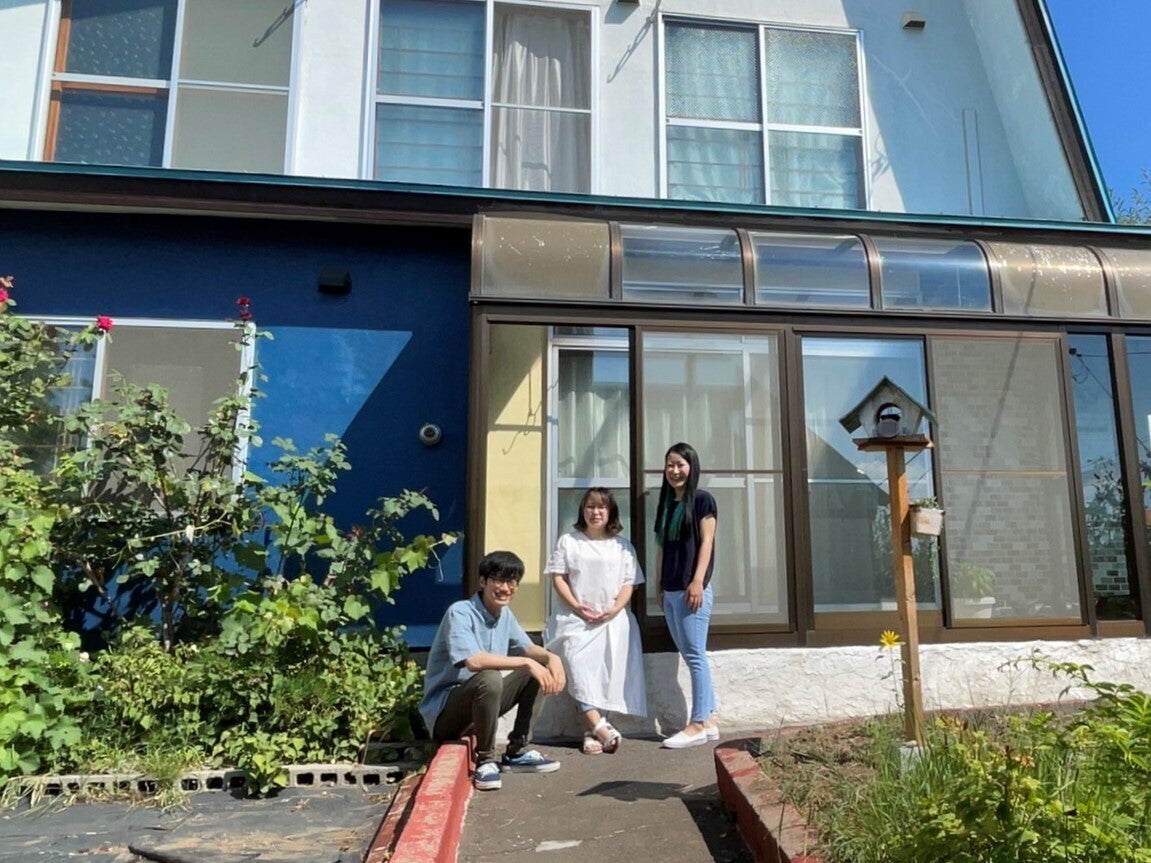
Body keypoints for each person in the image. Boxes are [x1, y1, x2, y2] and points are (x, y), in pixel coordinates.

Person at [419, 550, 566, 791]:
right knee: (490, 676)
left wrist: (552, 657)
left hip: (480, 707)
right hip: (446, 714)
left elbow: (527, 648)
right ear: (483, 581)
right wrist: (526, 662)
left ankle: (517, 751)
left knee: (535, 670)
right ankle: (485, 760)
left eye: (512, 582)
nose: (505, 588)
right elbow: (474, 662)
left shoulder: (504, 615)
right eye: (498, 580)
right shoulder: (460, 612)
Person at [544, 487, 647, 755]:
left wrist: (614, 609)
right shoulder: (569, 541)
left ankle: (591, 732)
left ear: (611, 511)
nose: (595, 512)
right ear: (582, 510)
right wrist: (576, 605)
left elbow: (629, 583)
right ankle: (600, 726)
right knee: (578, 669)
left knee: (606, 675)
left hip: (612, 619)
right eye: (590, 506)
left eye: (601, 507)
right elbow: (558, 577)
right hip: (574, 619)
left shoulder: (623, 546)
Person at [653, 442, 719, 748]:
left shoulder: (703, 500)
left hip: (692, 590)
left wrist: (698, 581)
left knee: (695, 656)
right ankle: (710, 720)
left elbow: (707, 543)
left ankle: (697, 724)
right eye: (670, 464)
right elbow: (661, 547)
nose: (674, 470)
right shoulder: (666, 504)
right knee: (692, 655)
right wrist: (659, 584)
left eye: (680, 464)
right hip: (671, 591)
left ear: (692, 467)